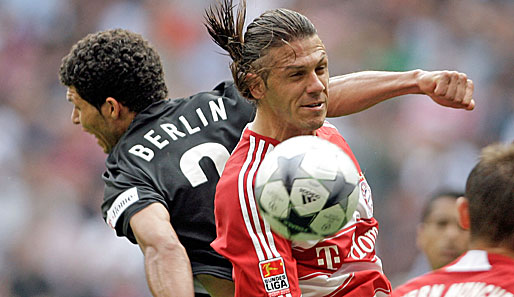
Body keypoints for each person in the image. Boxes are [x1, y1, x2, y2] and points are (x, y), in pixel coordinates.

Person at [58, 24, 473, 297]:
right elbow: (319, 98)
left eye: (78, 105)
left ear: (111, 108)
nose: (76, 118)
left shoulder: (126, 169)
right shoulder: (220, 104)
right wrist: (414, 81)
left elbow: (164, 247)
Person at [205, 1, 474, 296]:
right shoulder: (251, 185)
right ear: (256, 87)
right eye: (296, 75)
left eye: (320, 68)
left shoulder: (326, 133)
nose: (318, 85)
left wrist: (419, 81)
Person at [392, 143, 514, 297]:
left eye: (457, 227)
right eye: (441, 224)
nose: (451, 235)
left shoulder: (403, 294)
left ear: (463, 213)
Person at [416, 191, 470, 271]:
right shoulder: (399, 283)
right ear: (421, 234)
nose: (452, 234)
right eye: (441, 223)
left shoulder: (493, 282)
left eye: (462, 226)